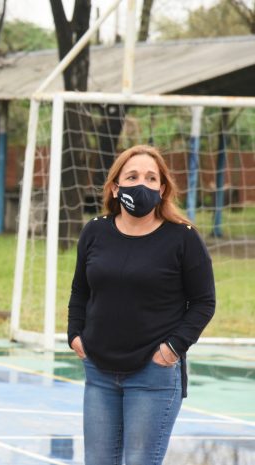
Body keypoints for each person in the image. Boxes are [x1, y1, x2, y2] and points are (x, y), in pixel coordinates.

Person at [67, 144, 216, 465]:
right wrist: (74, 335)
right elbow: (80, 290)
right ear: (115, 186)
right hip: (99, 372)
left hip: (154, 375)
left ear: (162, 189)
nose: (141, 184)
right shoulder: (95, 231)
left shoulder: (184, 238)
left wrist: (172, 349)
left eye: (151, 178)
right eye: (132, 176)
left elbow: (204, 302)